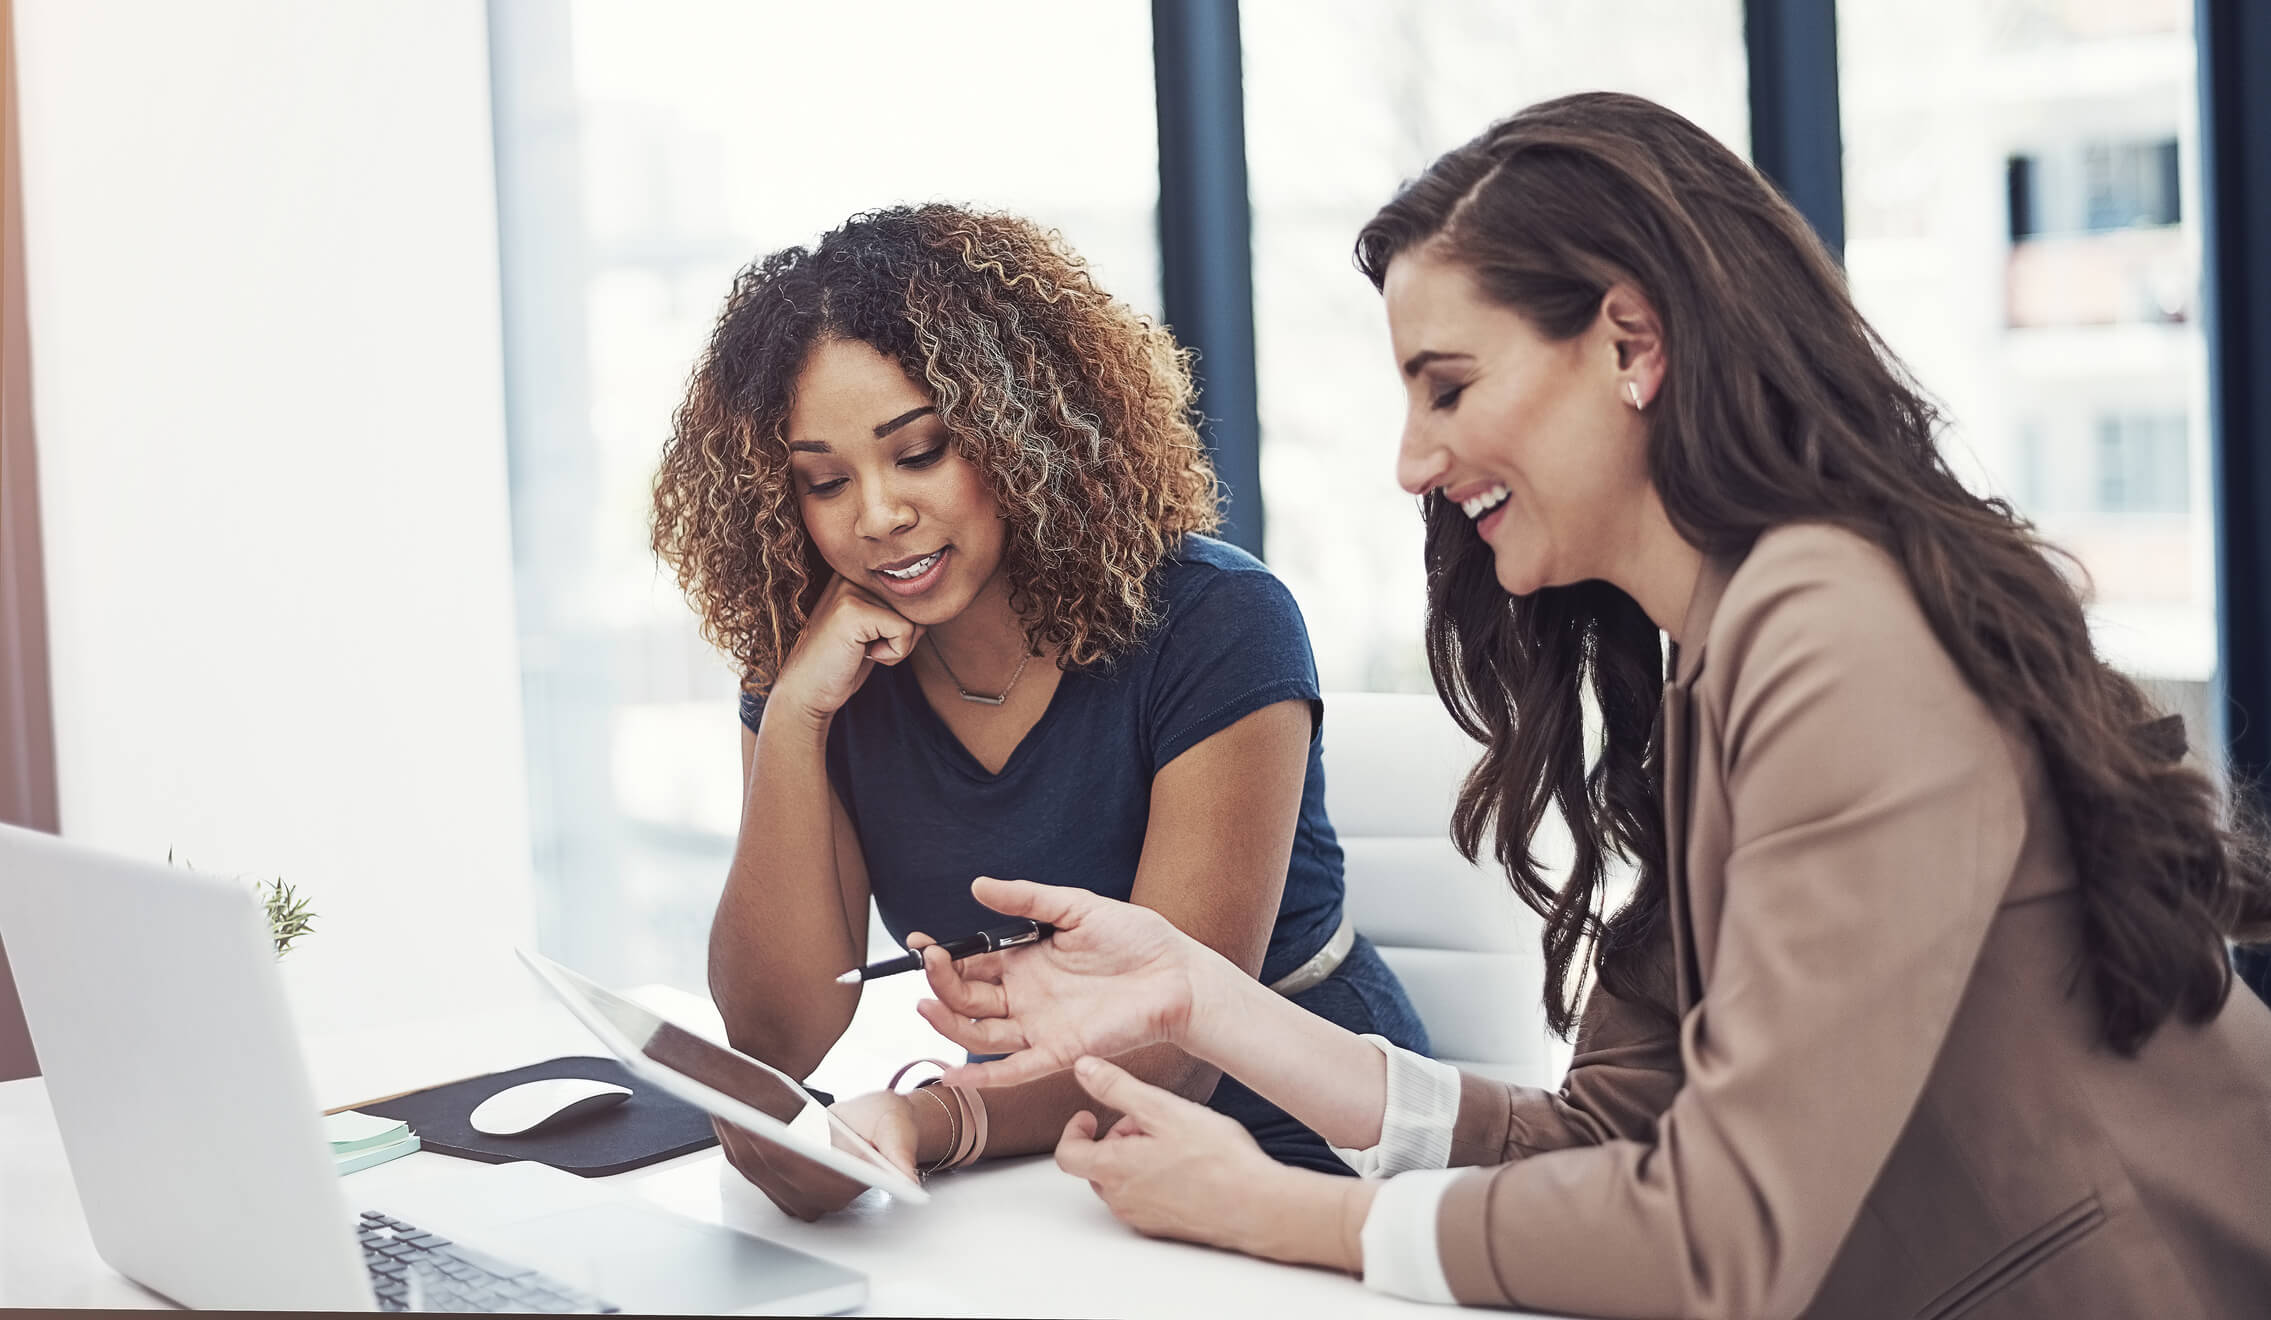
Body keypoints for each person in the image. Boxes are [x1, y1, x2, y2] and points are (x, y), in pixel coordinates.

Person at [907, 94, 2271, 1318]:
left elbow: (1714, 1240)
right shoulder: (1723, 651)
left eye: (1447, 386)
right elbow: (1611, 1136)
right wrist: (1201, 1000)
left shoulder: (1835, 637)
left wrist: (1287, 1211)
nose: (1410, 460)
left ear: (1629, 340)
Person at [649, 204, 1429, 1218]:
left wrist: (930, 1122)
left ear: (1024, 433)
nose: (878, 515)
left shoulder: (1219, 623)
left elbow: (1173, 1047)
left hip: (1296, 1152)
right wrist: (793, 716)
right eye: (826, 480)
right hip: (1037, 1168)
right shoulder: (820, 670)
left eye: (920, 452)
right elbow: (777, 1040)